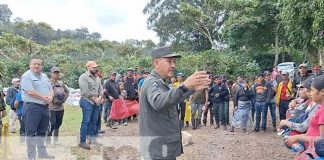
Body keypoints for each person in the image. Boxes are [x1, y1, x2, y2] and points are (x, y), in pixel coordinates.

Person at [139, 46, 210, 160]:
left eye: (174, 62)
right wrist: (185, 85)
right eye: (169, 61)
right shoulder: (152, 82)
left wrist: (192, 89)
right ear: (156, 63)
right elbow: (159, 102)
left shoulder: (161, 82)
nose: (173, 65)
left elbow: (172, 100)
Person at [21, 58, 55, 159]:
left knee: (42, 131)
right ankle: (31, 156)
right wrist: (44, 97)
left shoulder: (44, 76)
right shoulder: (26, 76)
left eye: (39, 64)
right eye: (34, 64)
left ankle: (42, 153)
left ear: (41, 66)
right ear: (30, 65)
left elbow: (50, 89)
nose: (37, 66)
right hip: (32, 107)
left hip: (44, 107)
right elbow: (29, 91)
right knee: (31, 132)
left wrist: (51, 97)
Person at [78, 61, 103, 150]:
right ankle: (82, 141)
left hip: (96, 102)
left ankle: (92, 139)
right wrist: (95, 99)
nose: (95, 69)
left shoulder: (97, 78)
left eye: (96, 67)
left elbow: (101, 89)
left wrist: (99, 98)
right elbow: (85, 91)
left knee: (94, 121)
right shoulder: (83, 77)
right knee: (86, 121)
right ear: (88, 67)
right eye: (93, 67)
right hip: (86, 101)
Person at [46, 67, 69, 145]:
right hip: (51, 108)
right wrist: (49, 100)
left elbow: (67, 91)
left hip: (60, 107)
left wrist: (64, 99)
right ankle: (48, 141)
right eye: (54, 72)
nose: (56, 74)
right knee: (51, 124)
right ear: (51, 73)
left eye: (57, 73)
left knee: (58, 124)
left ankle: (55, 141)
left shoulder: (61, 83)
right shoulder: (47, 83)